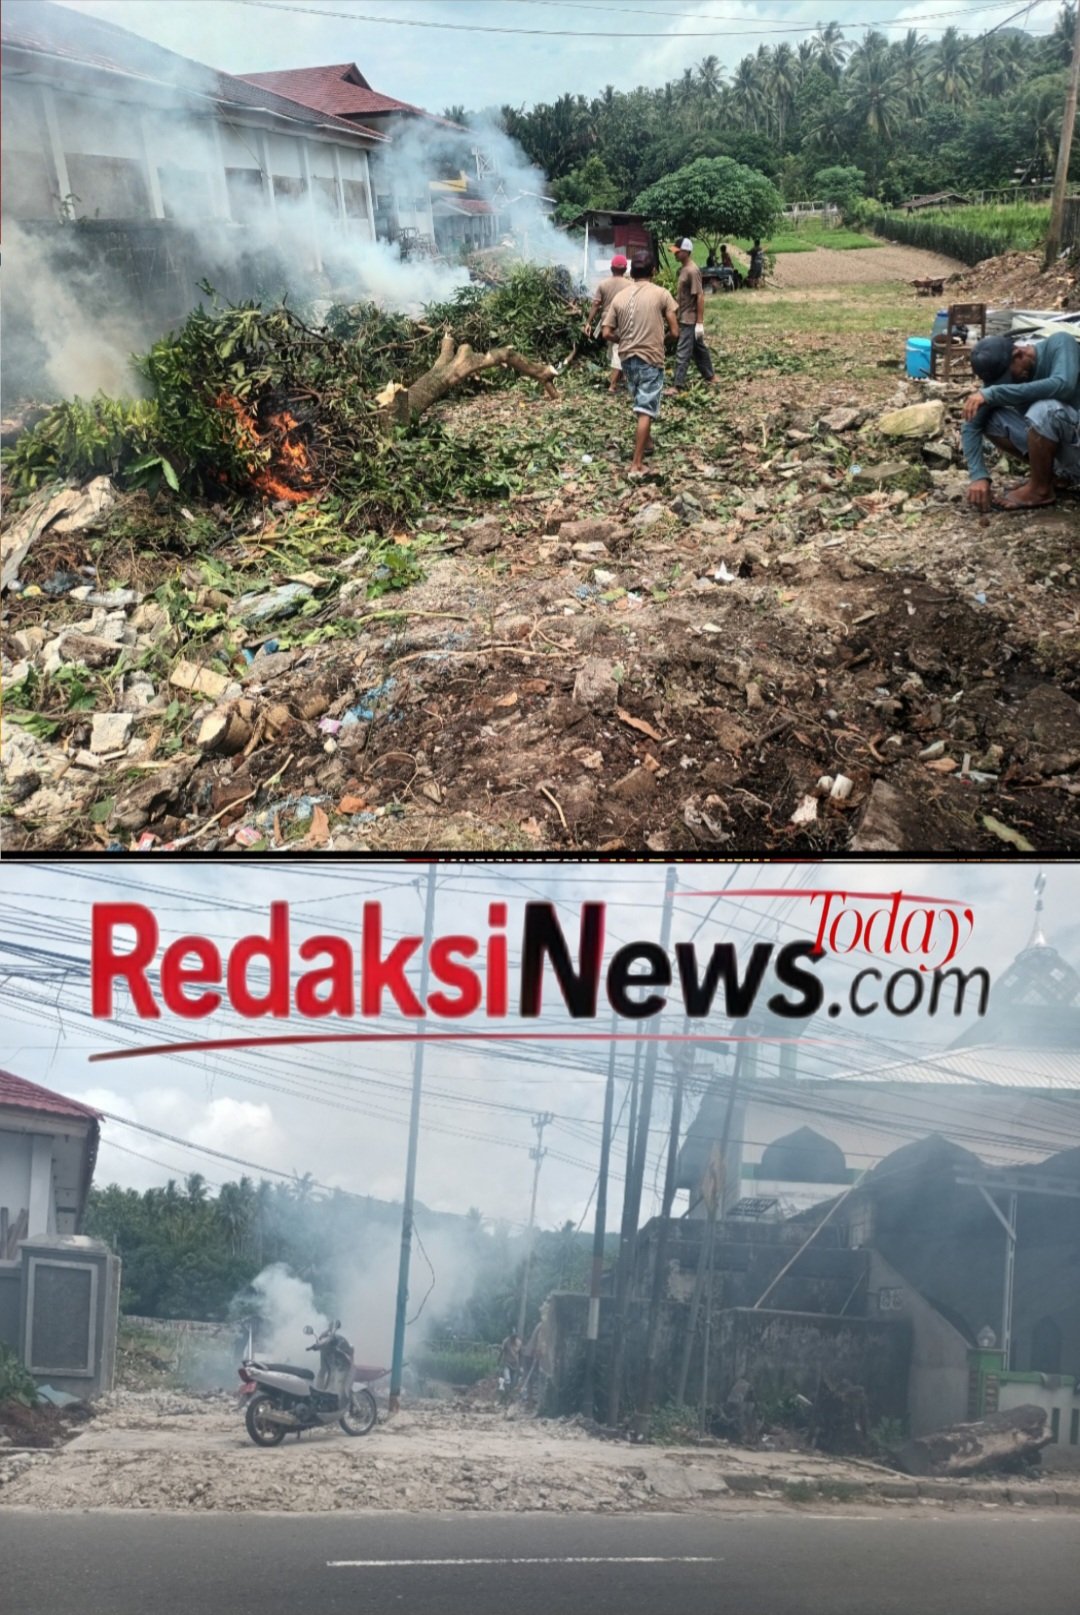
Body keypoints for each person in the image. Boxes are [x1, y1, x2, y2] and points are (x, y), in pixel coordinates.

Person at [962, 331, 1080, 512]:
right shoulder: (1003, 382)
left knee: (1043, 410)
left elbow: (1064, 385)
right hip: (1066, 455)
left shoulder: (1060, 343)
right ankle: (1052, 476)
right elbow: (971, 424)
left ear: (1019, 354)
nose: (1010, 384)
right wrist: (978, 475)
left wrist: (996, 393)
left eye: (1011, 377)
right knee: (989, 418)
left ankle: (1040, 490)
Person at [602, 252, 679, 476]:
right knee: (646, 409)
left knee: (641, 402)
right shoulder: (662, 294)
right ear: (653, 270)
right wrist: (661, 340)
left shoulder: (620, 297)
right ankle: (636, 464)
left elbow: (606, 332)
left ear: (631, 272)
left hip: (627, 360)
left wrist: (624, 340)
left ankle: (647, 442)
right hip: (650, 358)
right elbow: (675, 331)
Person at [670, 237, 717, 392]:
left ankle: (677, 385)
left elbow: (700, 296)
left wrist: (700, 322)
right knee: (699, 348)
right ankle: (710, 376)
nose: (675, 254)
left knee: (682, 351)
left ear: (686, 251)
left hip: (689, 318)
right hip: (683, 315)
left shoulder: (692, 270)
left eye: (677, 252)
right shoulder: (683, 269)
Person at [586, 254, 629, 394]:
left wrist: (588, 322)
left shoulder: (603, 284)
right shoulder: (631, 285)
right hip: (623, 320)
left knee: (614, 348)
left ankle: (619, 379)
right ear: (625, 269)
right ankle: (613, 385)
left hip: (607, 322)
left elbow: (596, 304)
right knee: (618, 349)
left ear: (611, 268)